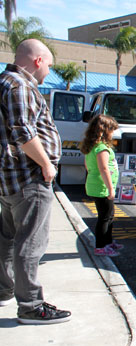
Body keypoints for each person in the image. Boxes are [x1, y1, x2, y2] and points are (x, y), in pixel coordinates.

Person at [0, 39, 71, 324]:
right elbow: (23, 131)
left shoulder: (5, 82)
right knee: (31, 242)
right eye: (49, 66)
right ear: (38, 61)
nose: (48, 73)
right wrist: (46, 165)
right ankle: (30, 305)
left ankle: (5, 289)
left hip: (10, 178)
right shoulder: (21, 86)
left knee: (7, 238)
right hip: (29, 176)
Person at [80, 115, 123, 257]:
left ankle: (108, 242)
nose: (113, 133)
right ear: (104, 131)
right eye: (111, 130)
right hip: (102, 188)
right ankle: (100, 247)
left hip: (97, 186)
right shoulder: (102, 149)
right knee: (105, 218)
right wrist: (110, 188)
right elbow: (104, 169)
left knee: (109, 216)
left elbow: (88, 166)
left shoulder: (92, 146)